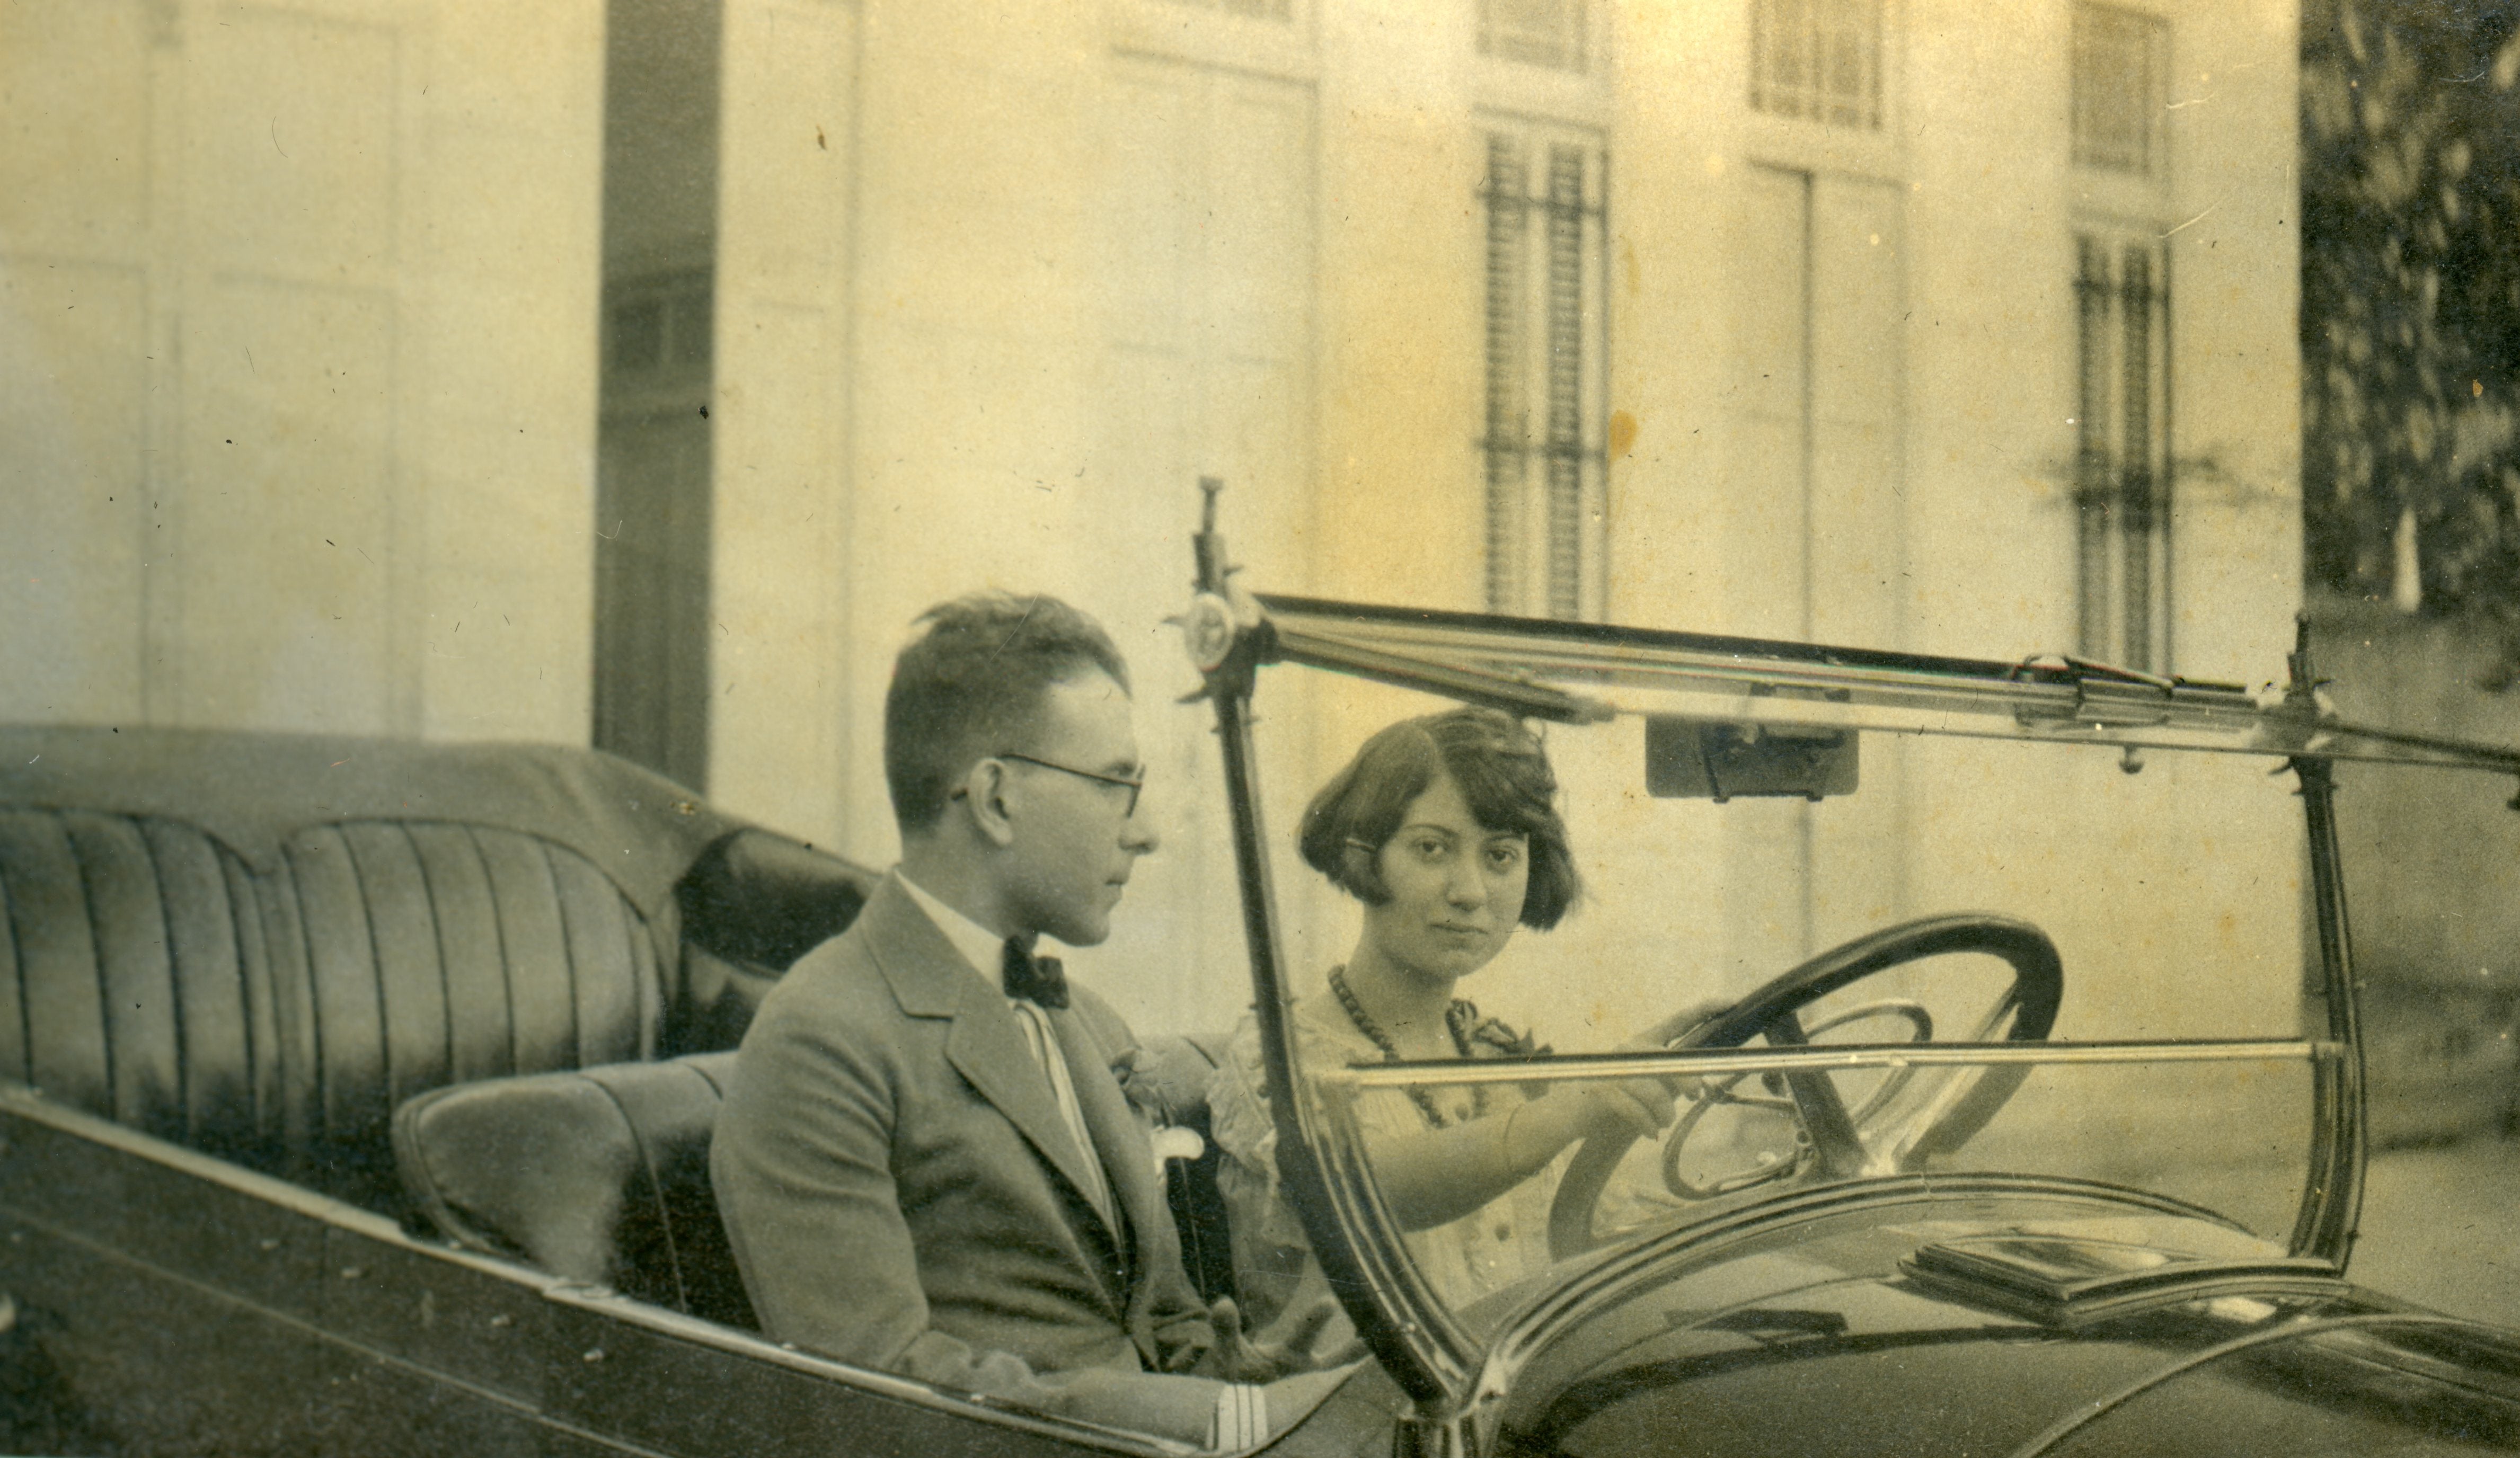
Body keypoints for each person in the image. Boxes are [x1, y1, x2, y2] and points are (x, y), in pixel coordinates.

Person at [712, 592, 1336, 1448]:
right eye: (1119, 785)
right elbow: (875, 1387)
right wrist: (1219, 1421)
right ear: (998, 797)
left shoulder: (1089, 1021)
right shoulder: (823, 1037)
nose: (1147, 832)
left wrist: (1238, 1374)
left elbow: (1158, 1318)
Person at [1209, 706, 1705, 1323]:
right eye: (1432, 848)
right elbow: (1356, 1189)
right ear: (1363, 853)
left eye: (1500, 856)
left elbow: (1593, 1243)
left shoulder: (1501, 1060)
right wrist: (1577, 1105)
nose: (1469, 891)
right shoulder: (1281, 1058)